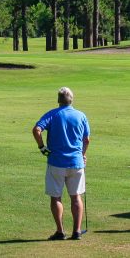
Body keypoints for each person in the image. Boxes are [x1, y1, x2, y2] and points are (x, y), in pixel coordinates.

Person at [32, 87, 90, 240]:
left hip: (56, 162)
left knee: (56, 197)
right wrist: (83, 154)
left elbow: (37, 130)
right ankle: (77, 231)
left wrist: (42, 147)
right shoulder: (81, 115)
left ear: (58, 100)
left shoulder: (52, 114)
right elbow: (87, 139)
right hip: (76, 163)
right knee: (76, 197)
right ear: (72, 99)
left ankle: (60, 231)